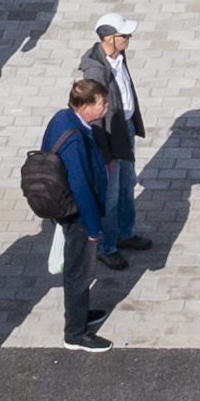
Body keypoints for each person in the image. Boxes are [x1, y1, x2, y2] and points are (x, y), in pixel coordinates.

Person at [42, 80, 118, 353]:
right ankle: (75, 333)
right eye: (102, 102)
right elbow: (81, 186)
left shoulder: (62, 118)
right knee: (79, 273)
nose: (106, 106)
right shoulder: (74, 138)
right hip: (78, 217)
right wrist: (94, 227)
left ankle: (80, 314)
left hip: (70, 211)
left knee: (78, 272)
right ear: (85, 106)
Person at [76, 16, 151, 264]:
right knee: (111, 195)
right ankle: (107, 248)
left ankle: (125, 233)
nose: (129, 40)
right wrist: (105, 154)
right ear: (110, 38)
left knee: (127, 186)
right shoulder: (96, 72)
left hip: (125, 129)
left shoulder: (118, 56)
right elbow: (95, 118)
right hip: (110, 138)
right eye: (125, 36)